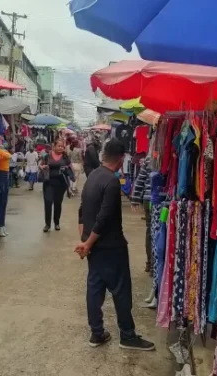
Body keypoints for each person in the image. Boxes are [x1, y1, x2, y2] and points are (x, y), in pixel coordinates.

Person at [75, 139, 155, 351]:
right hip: (111, 246)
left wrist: (85, 242)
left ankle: (97, 333)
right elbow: (104, 217)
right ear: (121, 160)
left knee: (95, 287)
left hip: (94, 246)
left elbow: (82, 211)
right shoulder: (111, 182)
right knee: (121, 291)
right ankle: (127, 336)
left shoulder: (92, 176)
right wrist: (88, 242)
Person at [38, 139, 73, 233]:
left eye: (62, 146)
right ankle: (47, 224)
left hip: (61, 184)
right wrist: (42, 167)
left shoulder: (65, 157)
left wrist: (68, 171)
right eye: (59, 146)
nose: (61, 148)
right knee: (48, 202)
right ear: (54, 146)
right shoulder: (47, 156)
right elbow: (40, 165)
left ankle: (56, 223)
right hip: (48, 182)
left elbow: (70, 167)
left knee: (58, 203)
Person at [130, 156, 153, 274]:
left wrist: (135, 199)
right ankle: (153, 263)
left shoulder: (148, 159)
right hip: (160, 199)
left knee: (150, 231)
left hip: (148, 199)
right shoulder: (172, 155)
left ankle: (150, 264)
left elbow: (140, 179)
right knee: (157, 231)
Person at [0, 143, 12, 237]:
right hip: (0, 175)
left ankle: (2, 224)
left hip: (4, 175)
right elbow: (8, 155)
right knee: (0, 202)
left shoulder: (1, 151)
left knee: (3, 202)